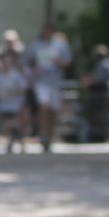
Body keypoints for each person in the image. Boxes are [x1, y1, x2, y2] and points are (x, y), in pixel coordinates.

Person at [25, 23, 72, 152]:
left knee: (53, 111)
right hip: (41, 82)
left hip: (55, 82)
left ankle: (50, 136)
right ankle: (43, 135)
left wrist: (59, 62)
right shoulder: (35, 45)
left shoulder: (60, 45)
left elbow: (68, 61)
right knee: (43, 107)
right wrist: (33, 71)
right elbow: (25, 62)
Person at [0, 50, 29, 153]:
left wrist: (15, 93)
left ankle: (13, 142)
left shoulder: (15, 75)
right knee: (9, 125)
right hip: (4, 104)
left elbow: (24, 87)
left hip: (15, 104)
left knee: (13, 123)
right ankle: (17, 140)